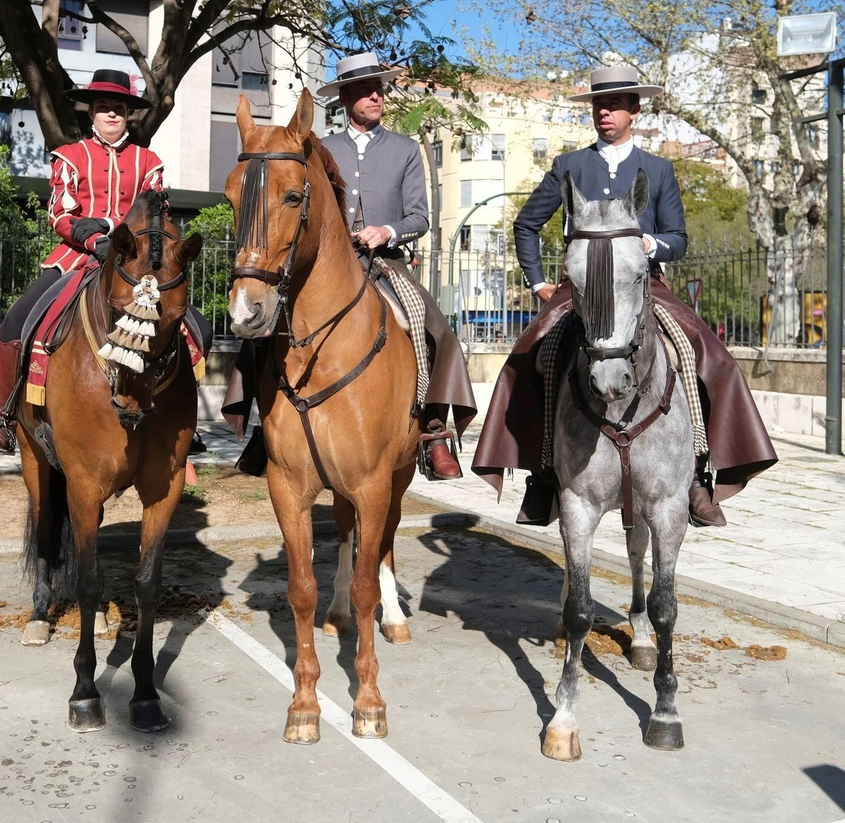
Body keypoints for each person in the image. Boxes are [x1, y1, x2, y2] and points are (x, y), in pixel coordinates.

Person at [471, 63, 778, 528]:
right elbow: (526, 224)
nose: (604, 112)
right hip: (579, 288)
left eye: (614, 105)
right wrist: (538, 283)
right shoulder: (568, 166)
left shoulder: (658, 169)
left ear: (634, 110)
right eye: (599, 105)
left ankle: (697, 472)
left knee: (706, 354)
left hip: (642, 285)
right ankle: (545, 474)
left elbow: (678, 237)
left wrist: (648, 243)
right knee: (533, 355)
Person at [223, 52, 476, 480]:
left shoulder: (405, 149)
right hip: (325, 266)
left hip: (385, 264)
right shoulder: (317, 149)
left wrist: (387, 232)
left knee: (435, 326)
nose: (376, 95)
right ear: (344, 98)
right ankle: (260, 430)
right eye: (364, 89)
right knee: (263, 326)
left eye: (379, 88)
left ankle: (433, 429)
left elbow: (420, 216)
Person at [0, 69, 167, 454]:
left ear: (129, 114)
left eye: (119, 108)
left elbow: (155, 215)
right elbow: (60, 215)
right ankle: (5, 421)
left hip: (135, 264)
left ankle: (179, 418)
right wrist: (94, 237)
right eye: (104, 108)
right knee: (16, 322)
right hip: (76, 257)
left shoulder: (149, 161)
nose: (112, 115)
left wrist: (121, 236)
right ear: (91, 113)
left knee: (189, 327)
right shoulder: (69, 156)